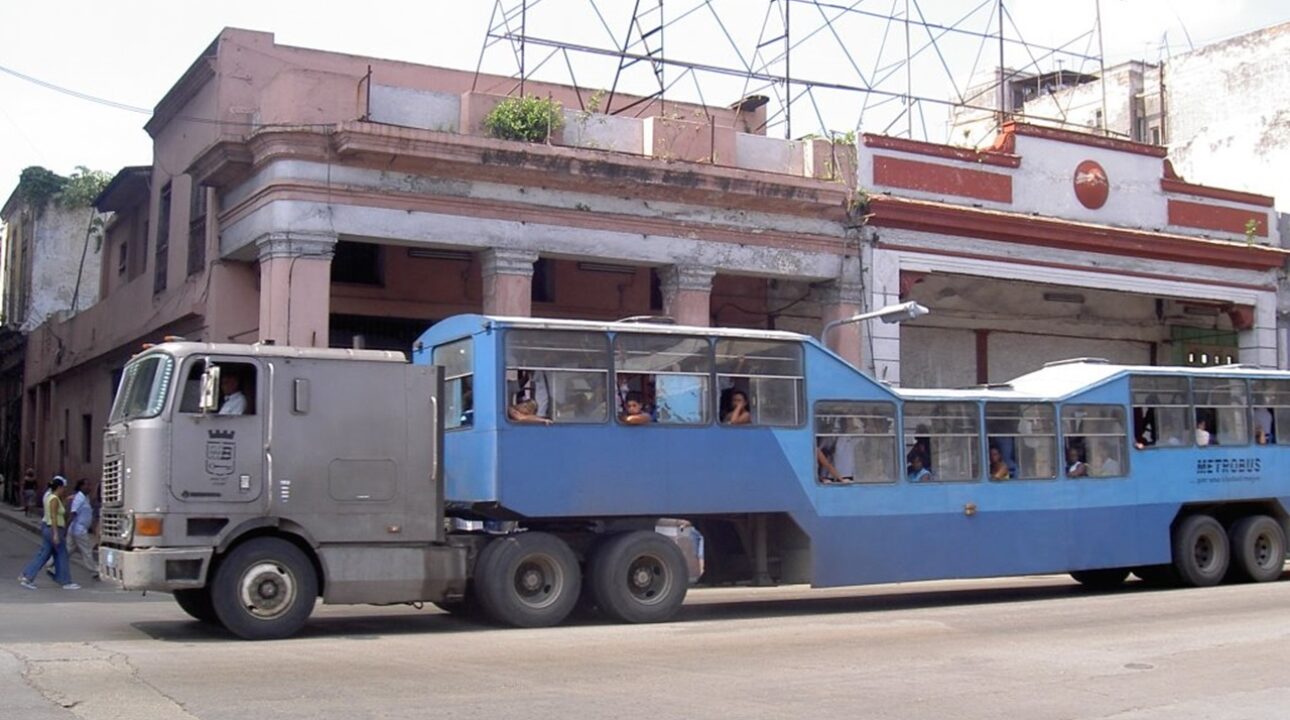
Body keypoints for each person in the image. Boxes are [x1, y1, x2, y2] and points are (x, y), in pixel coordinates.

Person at [18, 476, 78, 591]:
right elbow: (54, 516)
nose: (64, 490)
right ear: (59, 487)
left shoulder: (49, 497)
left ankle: (27, 575)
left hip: (48, 528)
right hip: (54, 529)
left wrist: (67, 500)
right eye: (63, 488)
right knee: (61, 554)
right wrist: (55, 534)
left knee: (44, 554)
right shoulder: (54, 499)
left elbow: (57, 511)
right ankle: (65, 580)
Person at [67, 479, 98, 579]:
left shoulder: (86, 498)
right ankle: (94, 571)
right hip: (78, 529)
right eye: (87, 485)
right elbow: (73, 513)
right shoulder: (79, 498)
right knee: (87, 550)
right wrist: (65, 528)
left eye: (90, 485)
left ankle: (52, 565)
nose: (89, 487)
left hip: (78, 528)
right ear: (81, 486)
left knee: (68, 549)